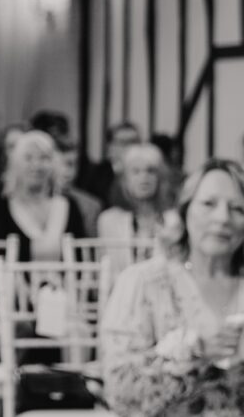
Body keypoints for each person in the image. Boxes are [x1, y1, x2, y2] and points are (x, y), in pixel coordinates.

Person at [101, 159, 244, 415]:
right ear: (185, 210)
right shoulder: (143, 282)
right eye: (209, 204)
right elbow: (118, 389)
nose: (223, 218)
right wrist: (193, 356)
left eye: (238, 209)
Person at [0, 131, 88, 262]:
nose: (36, 165)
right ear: (16, 164)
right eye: (28, 158)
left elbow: (81, 257)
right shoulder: (1, 209)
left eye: (44, 158)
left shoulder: (69, 205)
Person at [97, 143, 171, 272]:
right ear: (124, 179)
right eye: (136, 171)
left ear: (160, 178)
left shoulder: (172, 219)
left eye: (151, 171)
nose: (144, 177)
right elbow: (108, 270)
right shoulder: (108, 220)